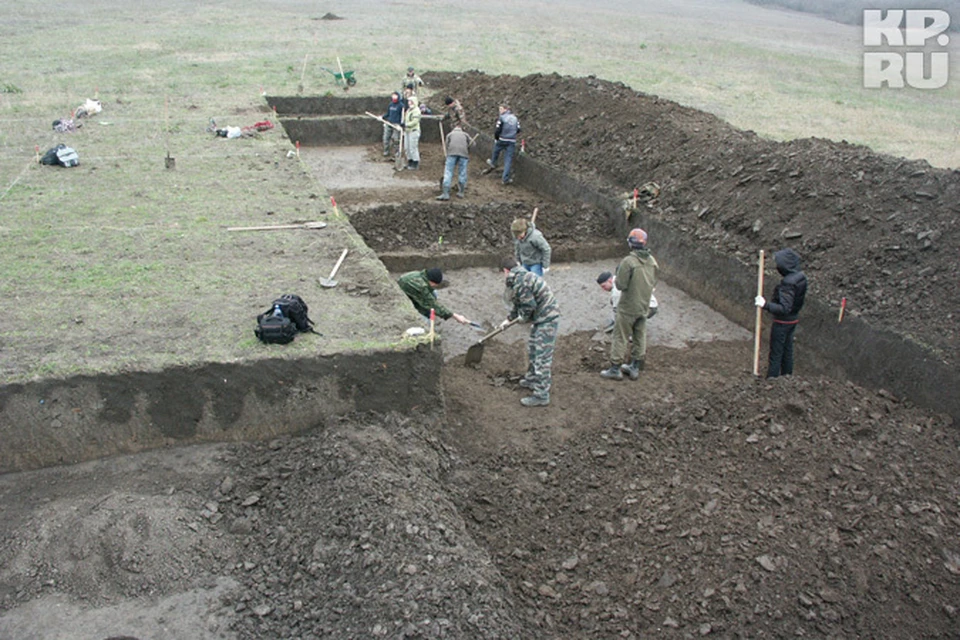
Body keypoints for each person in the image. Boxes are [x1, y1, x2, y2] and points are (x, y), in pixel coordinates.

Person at [499, 257, 560, 407]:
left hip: (547, 319)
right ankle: (532, 378)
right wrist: (509, 319)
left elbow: (528, 306)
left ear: (506, 271)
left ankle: (541, 395)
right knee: (533, 348)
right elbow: (518, 301)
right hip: (540, 318)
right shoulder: (520, 277)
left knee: (542, 358)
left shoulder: (522, 281)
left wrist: (522, 318)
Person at [601, 229, 659, 381]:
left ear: (630, 243)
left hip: (628, 307)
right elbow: (654, 282)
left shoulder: (628, 262)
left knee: (620, 336)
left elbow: (620, 285)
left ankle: (615, 368)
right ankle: (635, 366)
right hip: (644, 306)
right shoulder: (652, 261)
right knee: (640, 335)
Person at [756, 248, 807, 378]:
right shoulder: (801, 277)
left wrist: (765, 305)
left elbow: (784, 308)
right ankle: (787, 377)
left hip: (782, 322)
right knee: (787, 351)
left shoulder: (788, 284)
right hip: (793, 320)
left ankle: (772, 380)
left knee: (776, 353)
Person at [397, 268, 472, 325]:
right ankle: (425, 314)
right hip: (402, 300)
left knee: (434, 293)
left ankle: (426, 311)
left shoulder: (421, 275)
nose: (435, 286)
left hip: (410, 293)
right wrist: (455, 316)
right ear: (432, 281)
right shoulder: (421, 286)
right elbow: (433, 304)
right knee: (426, 322)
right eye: (435, 284)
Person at [487, 104, 520, 185]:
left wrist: (496, 138)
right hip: (512, 140)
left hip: (502, 139)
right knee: (508, 160)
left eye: (501, 109)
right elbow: (518, 129)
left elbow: (498, 129)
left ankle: (493, 163)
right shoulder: (515, 118)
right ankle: (505, 179)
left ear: (505, 109)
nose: (500, 111)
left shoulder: (502, 118)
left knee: (496, 150)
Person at [437, 124, 472, 200]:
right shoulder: (466, 135)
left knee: (448, 172)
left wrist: (447, 154)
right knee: (462, 172)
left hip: (451, 154)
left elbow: (447, 146)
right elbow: (473, 144)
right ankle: (461, 192)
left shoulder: (450, 135)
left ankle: (445, 193)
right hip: (463, 154)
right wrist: (468, 147)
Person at [381, 92, 404, 157]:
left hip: (396, 125)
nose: (394, 97)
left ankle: (397, 152)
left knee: (396, 139)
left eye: (395, 96)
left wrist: (401, 125)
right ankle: (386, 151)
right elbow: (388, 114)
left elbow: (402, 117)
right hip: (389, 123)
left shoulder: (401, 106)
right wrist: (382, 117)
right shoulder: (390, 104)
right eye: (393, 96)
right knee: (386, 138)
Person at [403, 96, 421, 170]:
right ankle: (410, 161)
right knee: (407, 147)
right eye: (408, 101)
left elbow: (414, 121)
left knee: (413, 147)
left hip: (413, 131)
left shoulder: (416, 111)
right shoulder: (408, 110)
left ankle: (415, 162)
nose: (409, 103)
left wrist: (406, 125)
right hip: (407, 131)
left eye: (410, 101)